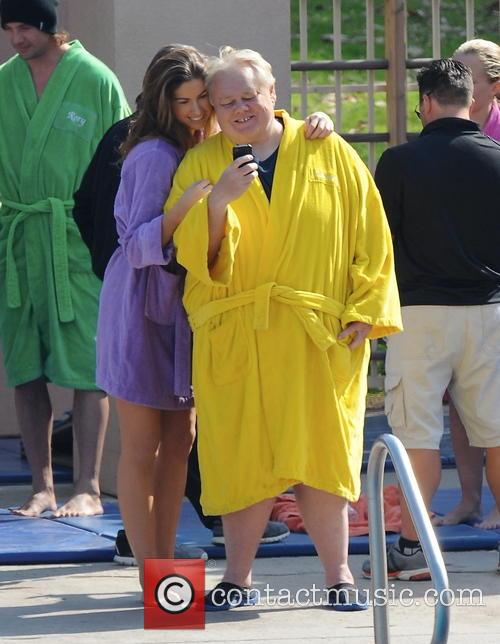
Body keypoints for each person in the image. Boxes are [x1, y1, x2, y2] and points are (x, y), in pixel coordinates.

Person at [167, 46, 401, 611]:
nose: (241, 108)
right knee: (240, 457)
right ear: (215, 112)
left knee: (320, 455)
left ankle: (339, 576)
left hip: (313, 334)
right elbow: (187, 250)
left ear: (273, 94)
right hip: (236, 335)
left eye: (250, 96)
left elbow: (372, 234)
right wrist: (219, 202)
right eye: (228, 102)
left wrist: (365, 308)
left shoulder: (331, 151)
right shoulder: (201, 165)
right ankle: (237, 579)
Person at [75, 94, 332, 561]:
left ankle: (161, 558)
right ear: (160, 100)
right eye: (182, 101)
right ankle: (148, 560)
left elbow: (268, 127)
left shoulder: (208, 146)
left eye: (202, 99)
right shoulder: (154, 153)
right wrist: (189, 207)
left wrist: (315, 121)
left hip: (187, 309)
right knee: (143, 444)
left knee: (181, 440)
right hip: (141, 309)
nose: (196, 110)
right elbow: (133, 245)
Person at [365, 59, 500, 582]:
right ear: (471, 101)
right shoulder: (495, 157)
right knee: (495, 434)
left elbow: (380, 242)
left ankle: (412, 549)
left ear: (424, 102)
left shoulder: (398, 162)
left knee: (416, 433)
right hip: (488, 311)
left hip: (416, 312)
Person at [0, 0, 130, 518]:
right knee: (25, 366)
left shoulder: (95, 79)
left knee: (86, 366)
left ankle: (89, 486)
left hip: (75, 239)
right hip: (18, 237)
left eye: (25, 28)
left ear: (51, 27)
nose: (16, 38)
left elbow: (123, 155)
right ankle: (41, 485)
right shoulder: (4, 81)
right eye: (8, 28)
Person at [432, 39, 500, 531]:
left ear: (495, 86)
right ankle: (468, 499)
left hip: (492, 289)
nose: (463, 83)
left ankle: (498, 503)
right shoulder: (439, 125)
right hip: (450, 287)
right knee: (459, 401)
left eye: (472, 76)